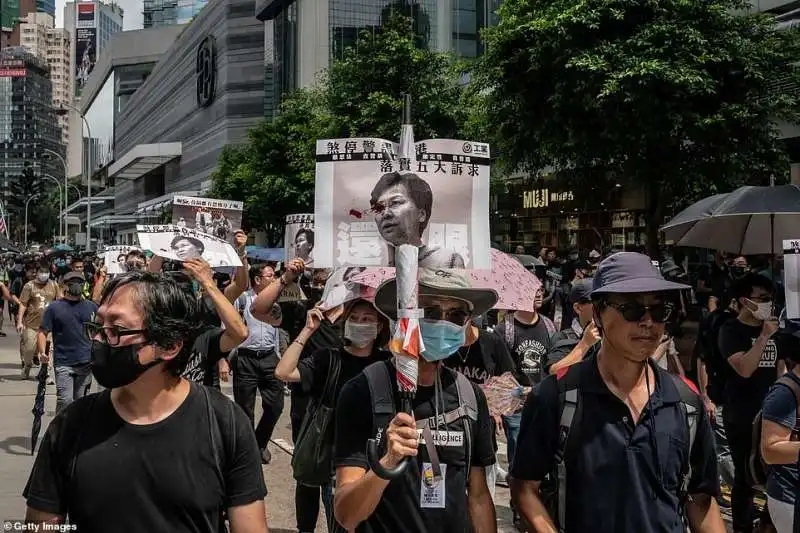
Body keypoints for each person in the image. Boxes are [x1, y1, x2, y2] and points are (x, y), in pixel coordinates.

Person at [23, 271, 269, 532]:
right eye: (98, 326)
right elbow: (40, 525)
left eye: (116, 329)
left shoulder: (224, 423)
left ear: (169, 345)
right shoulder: (70, 425)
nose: (98, 340)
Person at [512, 252, 724, 533]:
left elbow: (701, 499)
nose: (648, 322)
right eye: (632, 310)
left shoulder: (686, 402)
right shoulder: (557, 397)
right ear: (598, 314)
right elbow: (525, 488)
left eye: (659, 311)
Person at [333, 269, 497, 533]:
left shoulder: (471, 397)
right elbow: (346, 515)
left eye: (456, 315)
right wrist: (387, 462)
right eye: (430, 312)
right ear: (405, 317)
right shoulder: (363, 391)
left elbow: (478, 496)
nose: (443, 323)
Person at [276, 299, 390, 531]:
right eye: (354, 318)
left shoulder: (386, 364)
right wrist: (307, 330)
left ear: (379, 327)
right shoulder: (328, 358)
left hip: (374, 457)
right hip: (334, 461)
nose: (359, 323)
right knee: (340, 522)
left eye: (367, 319)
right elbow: (283, 372)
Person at [718, 273, 782, 533]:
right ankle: (743, 527)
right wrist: (764, 338)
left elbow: (781, 367)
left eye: (771, 299)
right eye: (762, 299)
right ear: (746, 301)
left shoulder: (774, 328)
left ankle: (767, 523)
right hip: (742, 415)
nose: (768, 304)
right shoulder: (730, 330)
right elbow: (743, 367)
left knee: (775, 473)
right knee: (745, 477)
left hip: (771, 413)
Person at [233, 263, 284, 465]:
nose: (273, 279)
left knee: (276, 406)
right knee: (245, 409)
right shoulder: (243, 300)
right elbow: (228, 327)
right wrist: (223, 360)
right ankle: (247, 451)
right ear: (257, 279)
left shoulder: (279, 301)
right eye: (270, 276)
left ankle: (259, 442)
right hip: (246, 358)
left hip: (270, 358)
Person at [369, 172, 465, 269]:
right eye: (378, 208)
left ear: (421, 214)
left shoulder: (447, 260)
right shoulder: (374, 271)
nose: (385, 213)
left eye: (395, 203)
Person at [36, 272, 97, 413]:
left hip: (86, 362)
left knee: (81, 402)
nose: (76, 286)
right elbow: (42, 332)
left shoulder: (92, 307)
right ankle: (61, 430)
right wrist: (42, 353)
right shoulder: (54, 308)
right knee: (65, 400)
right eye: (72, 282)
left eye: (80, 282)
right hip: (64, 362)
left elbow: (99, 331)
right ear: (64, 285)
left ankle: (77, 432)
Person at [546, 279, 601, 375]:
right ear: (578, 308)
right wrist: (585, 344)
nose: (601, 306)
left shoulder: (610, 334)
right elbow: (555, 373)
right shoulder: (562, 337)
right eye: (595, 301)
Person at [17, 262, 60, 379]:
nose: (44, 275)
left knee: (48, 349)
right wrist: (20, 321)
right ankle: (27, 366)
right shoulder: (29, 286)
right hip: (31, 324)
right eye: (42, 272)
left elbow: (60, 302)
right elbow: (23, 304)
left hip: (49, 326)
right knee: (29, 348)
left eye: (46, 273)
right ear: (37, 273)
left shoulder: (54, 285)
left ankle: (46, 372)